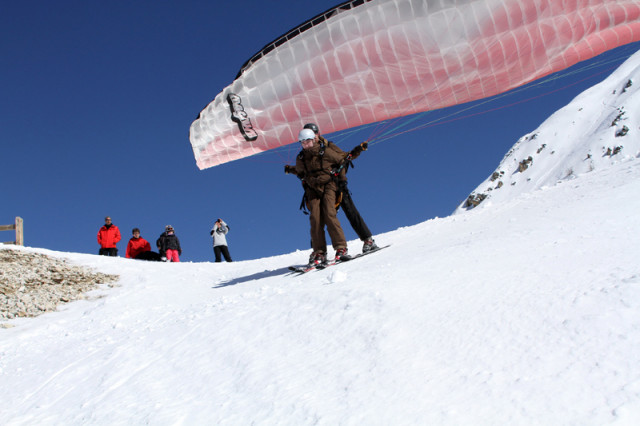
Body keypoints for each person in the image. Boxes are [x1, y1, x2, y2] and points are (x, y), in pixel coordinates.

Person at [285, 123, 378, 255]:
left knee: (350, 212)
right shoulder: (305, 153)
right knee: (318, 217)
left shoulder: (328, 147)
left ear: (316, 134)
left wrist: (358, 150)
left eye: (314, 134)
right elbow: (304, 170)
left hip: (336, 184)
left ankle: (367, 240)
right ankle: (319, 251)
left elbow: (345, 158)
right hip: (319, 187)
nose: (313, 137)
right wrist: (291, 169)